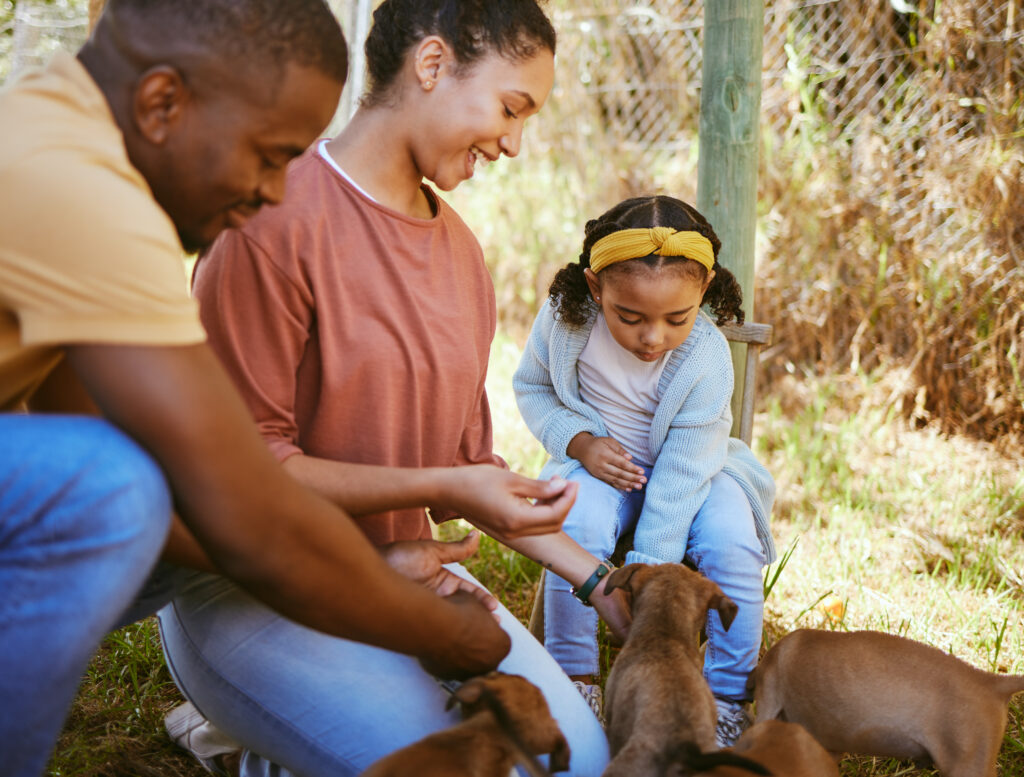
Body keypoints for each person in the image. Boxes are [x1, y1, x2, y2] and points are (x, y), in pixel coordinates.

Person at [0, 1, 570, 773]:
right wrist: (434, 629)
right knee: (121, 484)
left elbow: (92, 446)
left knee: (120, 473)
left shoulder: (59, 142)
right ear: (163, 103)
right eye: (268, 155)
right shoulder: (82, 194)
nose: (276, 193)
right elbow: (240, 507)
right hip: (226, 589)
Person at [155, 1, 610, 775]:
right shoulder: (268, 220)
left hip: (405, 569)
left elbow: (473, 477)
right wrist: (447, 481)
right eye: (511, 107)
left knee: (577, 761)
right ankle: (247, 732)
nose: (514, 142)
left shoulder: (464, 259)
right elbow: (243, 479)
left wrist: (602, 583)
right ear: (431, 66)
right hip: (249, 586)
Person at [511, 195, 778, 747]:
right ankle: (574, 679)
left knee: (733, 542)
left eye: (675, 318)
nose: (652, 337)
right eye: (629, 317)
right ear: (595, 288)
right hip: (604, 467)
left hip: (699, 471)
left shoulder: (703, 356)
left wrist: (649, 569)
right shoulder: (565, 324)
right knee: (573, 521)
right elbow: (532, 388)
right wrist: (581, 443)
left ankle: (727, 697)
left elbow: (683, 475)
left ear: (702, 290)